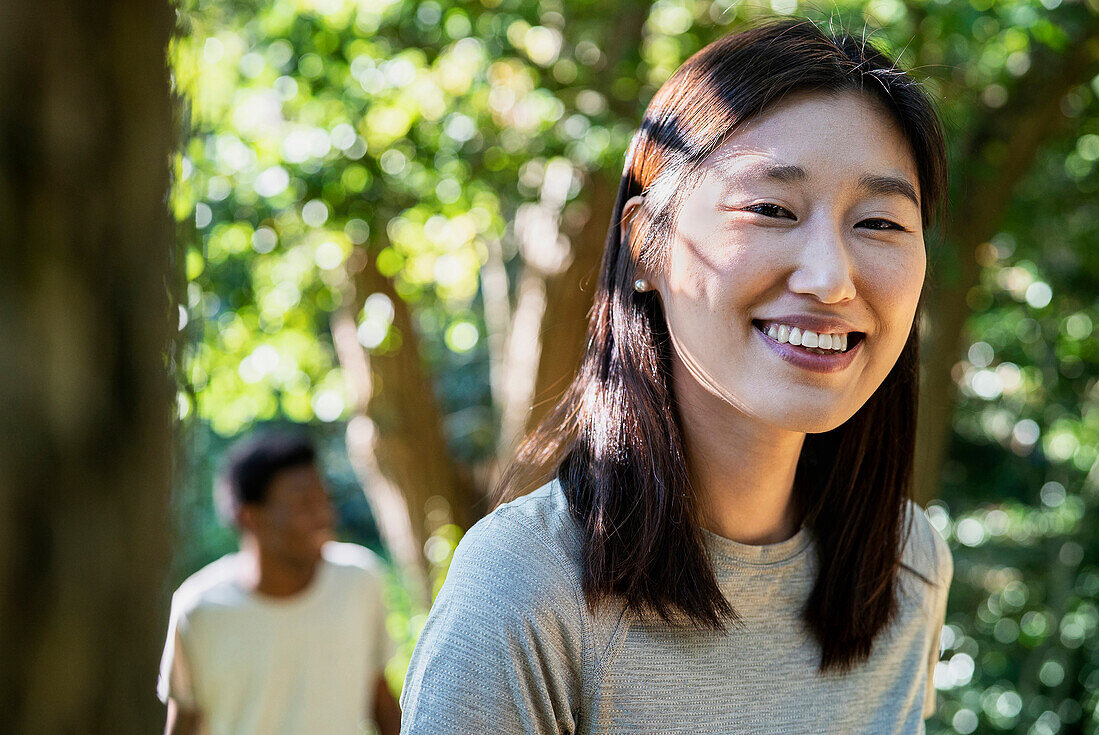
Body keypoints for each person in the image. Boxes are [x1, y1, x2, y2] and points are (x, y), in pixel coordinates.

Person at [400, 15, 954, 735]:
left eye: (879, 223)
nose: (829, 278)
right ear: (646, 247)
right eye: (770, 208)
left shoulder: (905, 563)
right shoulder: (524, 593)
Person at [158, 429, 402, 735]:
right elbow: (184, 721)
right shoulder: (199, 609)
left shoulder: (359, 581)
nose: (324, 515)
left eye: (324, 499)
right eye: (303, 504)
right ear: (250, 518)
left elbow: (380, 699)